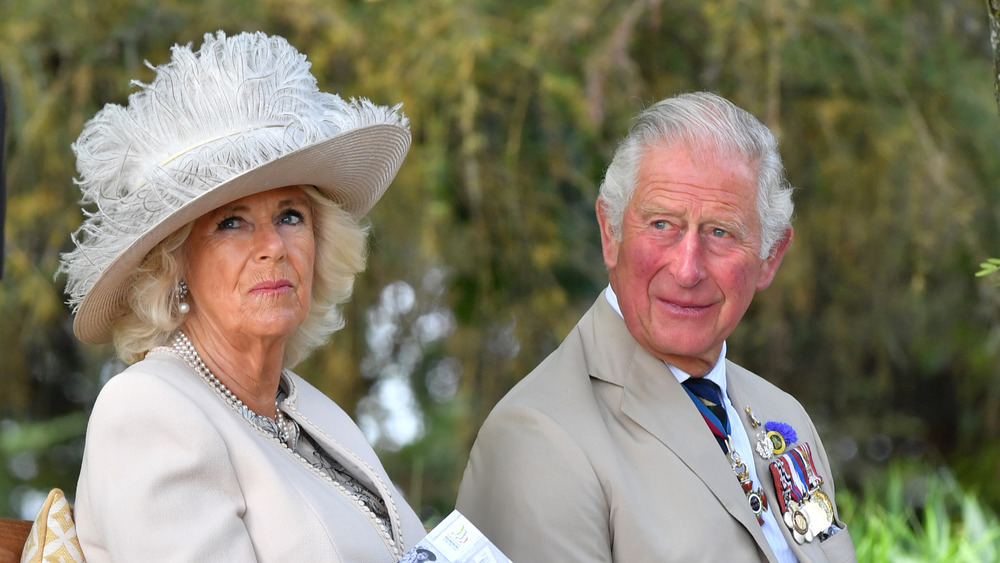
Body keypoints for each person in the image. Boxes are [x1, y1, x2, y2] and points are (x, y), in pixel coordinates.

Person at [58, 31, 425, 562]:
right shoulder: (145, 408)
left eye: (290, 216)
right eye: (232, 223)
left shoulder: (316, 413)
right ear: (174, 262)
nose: (273, 246)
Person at [456, 92, 857, 562]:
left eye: (720, 232)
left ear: (770, 258)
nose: (687, 269)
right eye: (662, 224)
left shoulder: (784, 416)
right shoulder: (538, 436)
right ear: (611, 234)